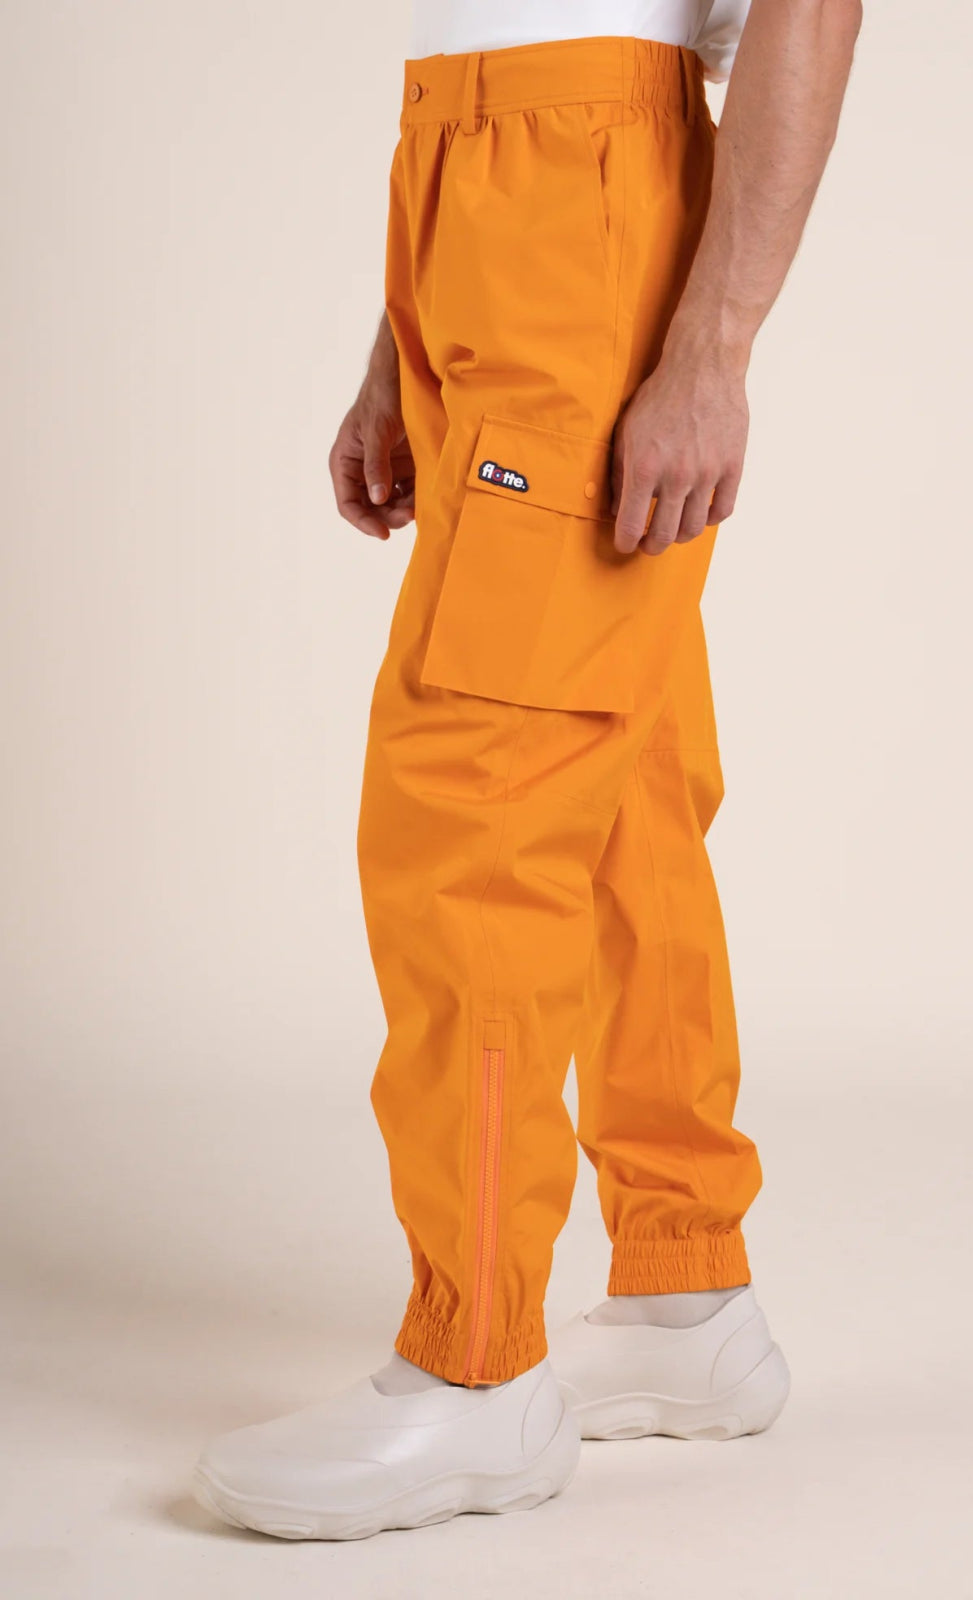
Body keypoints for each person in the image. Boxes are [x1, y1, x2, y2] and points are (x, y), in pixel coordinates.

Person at [193, 0, 861, 1541]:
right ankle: (688, 1300)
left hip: (582, 192)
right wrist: (400, 348)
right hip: (480, 181)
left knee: (474, 803)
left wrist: (715, 348)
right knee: (625, 790)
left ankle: (478, 1375)